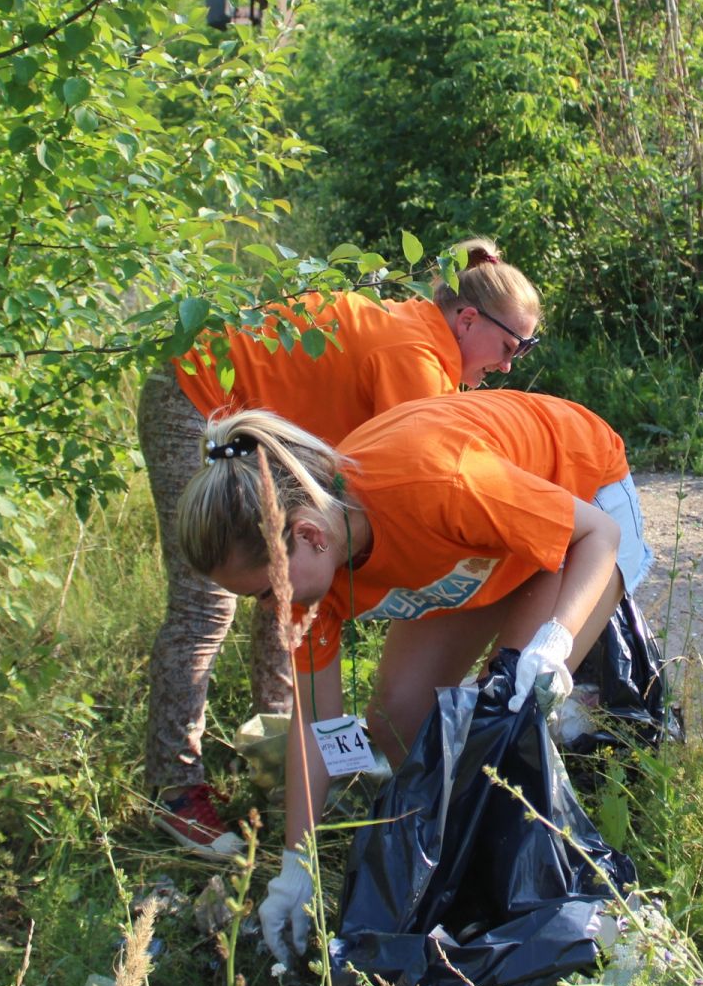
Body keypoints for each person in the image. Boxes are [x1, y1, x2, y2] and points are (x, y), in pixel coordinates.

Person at [170, 390, 652, 964]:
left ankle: (559, 893)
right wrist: (297, 867)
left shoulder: (439, 483)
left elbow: (598, 534)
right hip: (482, 539)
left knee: (502, 710)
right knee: (398, 717)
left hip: (582, 498)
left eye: (265, 591)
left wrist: (554, 644)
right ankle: (460, 859)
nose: (271, 608)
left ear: (309, 535)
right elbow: (316, 723)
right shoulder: (304, 575)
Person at [136, 241, 543, 850]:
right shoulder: (416, 358)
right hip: (197, 393)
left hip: (247, 412)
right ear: (467, 320)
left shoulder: (422, 340)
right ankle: (174, 788)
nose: (511, 365)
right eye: (511, 347)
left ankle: (279, 745)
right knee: (208, 600)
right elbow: (415, 496)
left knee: (291, 581)